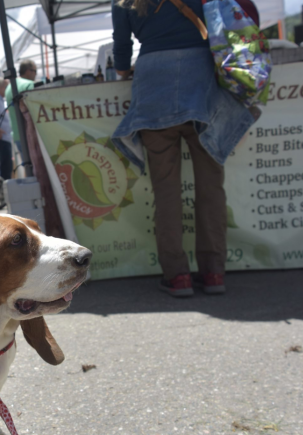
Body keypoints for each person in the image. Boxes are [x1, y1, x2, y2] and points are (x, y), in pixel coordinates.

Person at [111, 0, 255, 297]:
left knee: (166, 192)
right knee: (211, 188)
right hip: (201, 78)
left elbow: (121, 50)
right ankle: (214, 273)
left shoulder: (124, 1)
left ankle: (178, 277)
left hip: (153, 81)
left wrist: (123, 71)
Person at [4, 59, 37, 158]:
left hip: (18, 136)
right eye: (35, 71)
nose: (35, 74)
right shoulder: (29, 84)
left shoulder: (8, 88)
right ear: (28, 71)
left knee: (28, 169)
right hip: (31, 135)